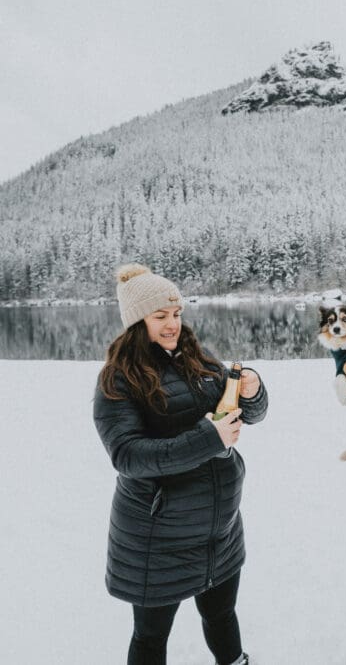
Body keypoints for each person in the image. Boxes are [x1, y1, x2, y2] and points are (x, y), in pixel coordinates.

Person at [93, 263, 267, 665]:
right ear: (138, 321)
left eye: (176, 314)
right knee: (151, 638)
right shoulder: (117, 380)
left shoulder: (197, 359)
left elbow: (242, 412)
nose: (173, 324)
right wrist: (210, 437)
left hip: (218, 530)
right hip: (158, 538)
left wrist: (253, 392)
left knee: (222, 615)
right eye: (160, 317)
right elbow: (128, 456)